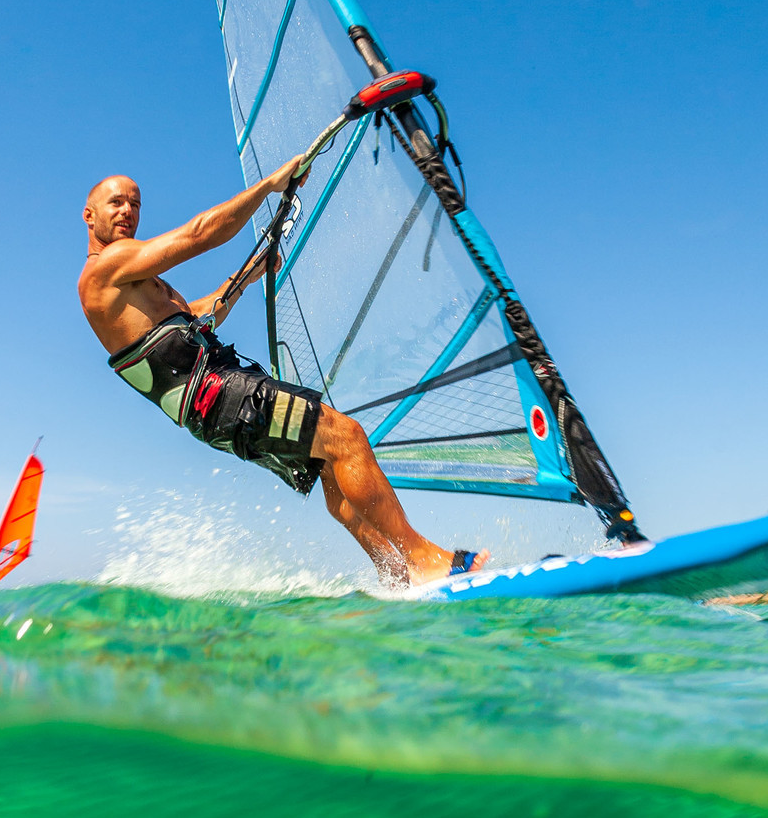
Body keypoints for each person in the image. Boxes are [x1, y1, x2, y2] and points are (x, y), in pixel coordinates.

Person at [77, 169, 481, 587]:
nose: (128, 210)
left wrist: (247, 276)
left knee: (328, 464)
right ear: (90, 216)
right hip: (216, 394)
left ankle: (394, 573)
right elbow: (198, 234)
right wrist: (270, 185)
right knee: (346, 437)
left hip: (210, 404)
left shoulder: (135, 285)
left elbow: (200, 318)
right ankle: (423, 558)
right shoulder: (104, 270)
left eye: (135, 202)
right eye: (116, 202)